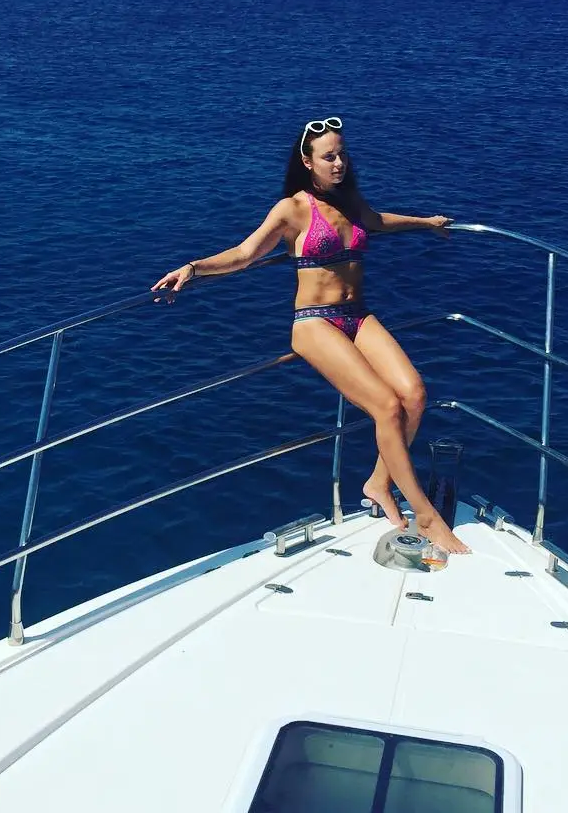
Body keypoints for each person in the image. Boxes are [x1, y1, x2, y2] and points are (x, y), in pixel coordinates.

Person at [152, 116, 469, 554]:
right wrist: (193, 268)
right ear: (307, 161)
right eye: (329, 156)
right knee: (386, 406)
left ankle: (379, 483)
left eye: (342, 154)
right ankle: (425, 515)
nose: (339, 163)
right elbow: (245, 254)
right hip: (315, 322)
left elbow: (378, 221)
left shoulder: (351, 201)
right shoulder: (293, 209)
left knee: (414, 395)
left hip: (357, 315)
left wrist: (426, 222)